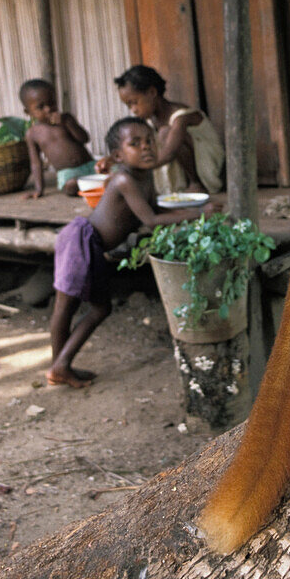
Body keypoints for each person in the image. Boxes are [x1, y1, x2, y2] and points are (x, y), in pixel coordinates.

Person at [48, 116, 217, 387]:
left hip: (89, 243)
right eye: (135, 143)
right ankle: (59, 366)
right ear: (118, 155)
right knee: (73, 307)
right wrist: (198, 213)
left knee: (90, 308)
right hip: (81, 241)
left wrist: (199, 212)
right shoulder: (124, 179)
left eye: (150, 141)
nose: (146, 147)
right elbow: (150, 220)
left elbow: (155, 210)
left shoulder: (144, 175)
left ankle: (60, 366)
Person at [111, 65, 225, 195]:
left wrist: (133, 169)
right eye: (129, 105)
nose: (133, 110)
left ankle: (196, 184)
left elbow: (168, 153)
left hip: (212, 167)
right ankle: (182, 186)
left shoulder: (181, 116)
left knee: (165, 133)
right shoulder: (150, 120)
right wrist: (115, 161)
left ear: (152, 93)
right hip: (190, 165)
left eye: (134, 102)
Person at [20, 79, 97, 198]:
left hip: (89, 165)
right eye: (41, 107)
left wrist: (68, 124)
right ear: (28, 112)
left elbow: (84, 139)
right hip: (68, 174)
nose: (48, 109)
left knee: (114, 169)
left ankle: (93, 183)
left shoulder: (66, 118)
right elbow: (36, 163)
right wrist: (39, 189)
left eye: (52, 103)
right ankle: (92, 184)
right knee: (70, 186)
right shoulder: (32, 134)